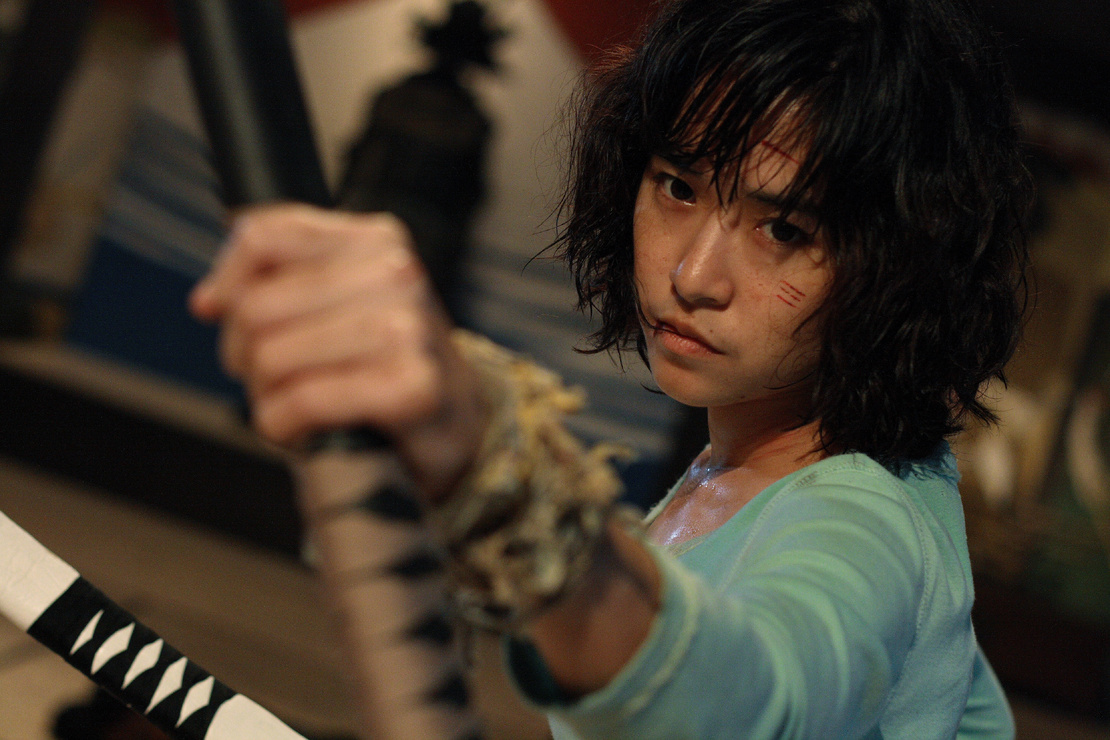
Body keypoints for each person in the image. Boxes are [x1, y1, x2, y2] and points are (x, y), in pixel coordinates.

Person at [190, 0, 1033, 736]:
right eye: (678, 186)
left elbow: (753, 708)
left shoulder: (864, 517)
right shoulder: (746, 470)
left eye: (784, 230)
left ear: (906, 266)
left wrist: (501, 465)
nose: (693, 276)